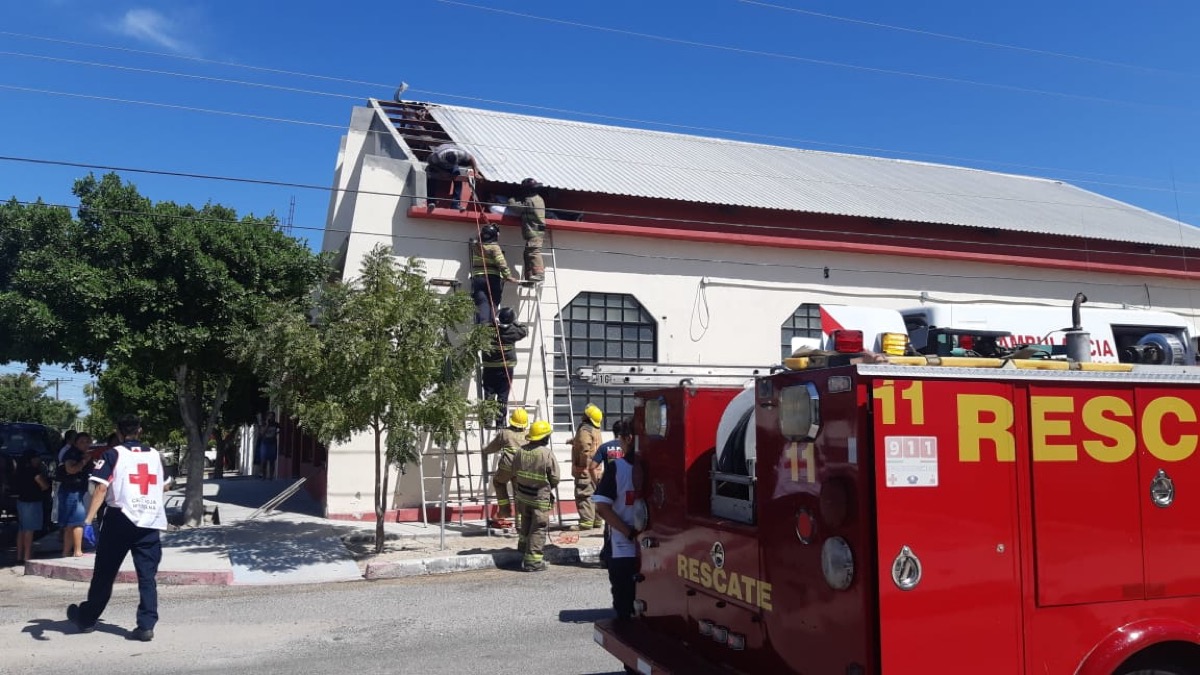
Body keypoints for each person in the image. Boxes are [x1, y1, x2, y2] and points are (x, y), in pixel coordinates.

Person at [67, 414, 168, 642]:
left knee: (104, 573)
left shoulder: (112, 454)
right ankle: (146, 625)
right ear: (140, 431)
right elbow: (165, 484)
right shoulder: (155, 455)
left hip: (120, 518)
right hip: (149, 520)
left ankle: (87, 618)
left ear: (119, 432)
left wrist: (87, 521)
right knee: (147, 575)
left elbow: (100, 489)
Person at [594, 417, 642, 619]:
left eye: (621, 439)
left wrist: (630, 533)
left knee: (624, 603)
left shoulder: (617, 468)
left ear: (628, 439)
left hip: (624, 547)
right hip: (657, 547)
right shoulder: (660, 467)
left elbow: (603, 509)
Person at [510, 420, 559, 572]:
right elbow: (555, 478)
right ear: (544, 438)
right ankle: (533, 562)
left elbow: (514, 472)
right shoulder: (546, 454)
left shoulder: (520, 451)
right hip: (539, 499)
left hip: (522, 497)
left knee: (525, 522)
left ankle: (522, 550)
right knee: (538, 528)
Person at [481, 307, 528, 427]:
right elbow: (524, 330)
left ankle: (487, 419)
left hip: (489, 367)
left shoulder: (490, 330)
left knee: (489, 393)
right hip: (506, 368)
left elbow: (481, 330)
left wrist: (493, 321)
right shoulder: (513, 331)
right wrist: (516, 321)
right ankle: (500, 421)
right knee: (503, 395)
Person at [484, 408, 529, 529]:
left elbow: (492, 447)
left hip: (507, 466)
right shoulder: (528, 434)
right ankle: (520, 521)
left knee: (498, 482)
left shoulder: (505, 433)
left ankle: (504, 510)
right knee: (519, 493)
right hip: (522, 467)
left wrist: (484, 450)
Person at [470, 223, 519, 325]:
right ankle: (492, 324)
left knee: (482, 302)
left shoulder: (475, 245)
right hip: (492, 278)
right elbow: (501, 262)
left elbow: (476, 237)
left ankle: (483, 324)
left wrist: (484, 231)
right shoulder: (494, 247)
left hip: (477, 278)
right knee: (493, 301)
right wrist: (508, 276)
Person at [58, 432, 93, 557]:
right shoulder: (72, 454)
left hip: (78, 490)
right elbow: (70, 469)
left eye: (87, 441)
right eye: (82, 442)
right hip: (72, 490)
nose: (85, 444)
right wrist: (84, 461)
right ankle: (77, 551)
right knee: (77, 522)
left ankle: (66, 552)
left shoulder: (84, 454)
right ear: (76, 443)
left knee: (70, 523)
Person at [570, 403, 604, 531]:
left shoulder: (585, 429)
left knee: (583, 494)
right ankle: (596, 520)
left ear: (588, 417)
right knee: (596, 494)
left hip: (585, 470)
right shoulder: (595, 429)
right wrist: (573, 441)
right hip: (596, 469)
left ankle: (586, 522)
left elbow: (584, 449)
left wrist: (581, 464)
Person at [508, 177, 547, 282]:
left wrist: (511, 199)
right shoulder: (538, 198)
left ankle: (539, 274)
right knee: (527, 254)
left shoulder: (530, 200)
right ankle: (529, 278)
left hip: (534, 232)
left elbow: (514, 207)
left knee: (533, 252)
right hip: (536, 231)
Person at [14, 450, 50, 563]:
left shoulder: (19, 470)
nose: (39, 460)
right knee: (29, 530)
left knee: (21, 530)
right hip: (32, 502)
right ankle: (27, 556)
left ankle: (19, 556)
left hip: (21, 501)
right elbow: (44, 485)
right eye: (37, 457)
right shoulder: (34, 471)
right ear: (32, 459)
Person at [426, 143, 480, 210]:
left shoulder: (461, 153)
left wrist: (476, 172)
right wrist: (441, 172)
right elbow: (430, 163)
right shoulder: (437, 156)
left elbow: (471, 158)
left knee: (457, 178)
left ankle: (455, 204)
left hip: (453, 166)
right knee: (432, 177)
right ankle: (431, 202)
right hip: (439, 165)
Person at [257, 412, 281, 479]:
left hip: (273, 443)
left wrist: (277, 433)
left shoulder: (276, 424)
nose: (271, 418)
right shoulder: (264, 424)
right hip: (265, 443)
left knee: (272, 460)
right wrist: (267, 425)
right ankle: (264, 476)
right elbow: (262, 433)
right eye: (270, 416)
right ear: (267, 417)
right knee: (264, 460)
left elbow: (281, 429)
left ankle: (271, 476)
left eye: (272, 416)